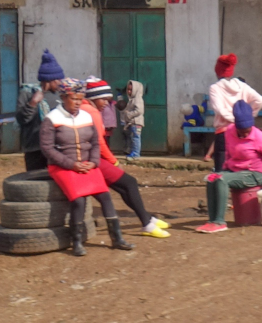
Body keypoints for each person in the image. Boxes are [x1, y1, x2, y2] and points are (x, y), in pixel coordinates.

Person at [40, 80, 129, 256]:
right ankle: (77, 242)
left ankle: (117, 238)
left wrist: (94, 162)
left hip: (88, 165)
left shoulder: (86, 117)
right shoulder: (52, 119)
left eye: (81, 99)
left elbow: (96, 143)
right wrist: (71, 164)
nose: (78, 103)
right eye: (74, 99)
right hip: (63, 167)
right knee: (79, 200)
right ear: (64, 97)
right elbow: (47, 149)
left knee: (105, 196)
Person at [81, 78, 170, 239]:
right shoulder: (92, 111)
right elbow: (99, 142)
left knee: (123, 187)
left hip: (89, 158)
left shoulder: (85, 109)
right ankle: (147, 223)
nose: (106, 104)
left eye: (108, 99)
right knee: (129, 183)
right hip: (92, 159)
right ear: (93, 98)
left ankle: (147, 219)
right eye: (103, 99)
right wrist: (114, 161)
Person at [197, 100, 262, 234]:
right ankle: (212, 220)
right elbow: (229, 153)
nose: (244, 134)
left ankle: (219, 221)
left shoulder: (259, 137)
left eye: (247, 131)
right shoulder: (229, 131)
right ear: (236, 126)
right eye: (241, 131)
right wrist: (223, 169)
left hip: (255, 173)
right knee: (212, 178)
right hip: (235, 170)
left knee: (221, 180)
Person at [207, 54, 262, 172]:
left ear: (217, 71)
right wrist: (245, 118)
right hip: (242, 131)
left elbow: (220, 110)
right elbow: (260, 100)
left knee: (220, 171)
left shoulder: (215, 88)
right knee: (241, 167)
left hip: (223, 133)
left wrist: (235, 119)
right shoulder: (242, 86)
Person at [119, 79, 145, 160]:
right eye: (128, 89)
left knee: (136, 138)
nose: (129, 91)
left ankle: (136, 154)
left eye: (131, 90)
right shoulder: (132, 100)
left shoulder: (137, 99)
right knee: (133, 138)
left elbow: (139, 110)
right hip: (133, 122)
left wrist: (129, 115)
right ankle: (134, 152)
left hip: (136, 122)